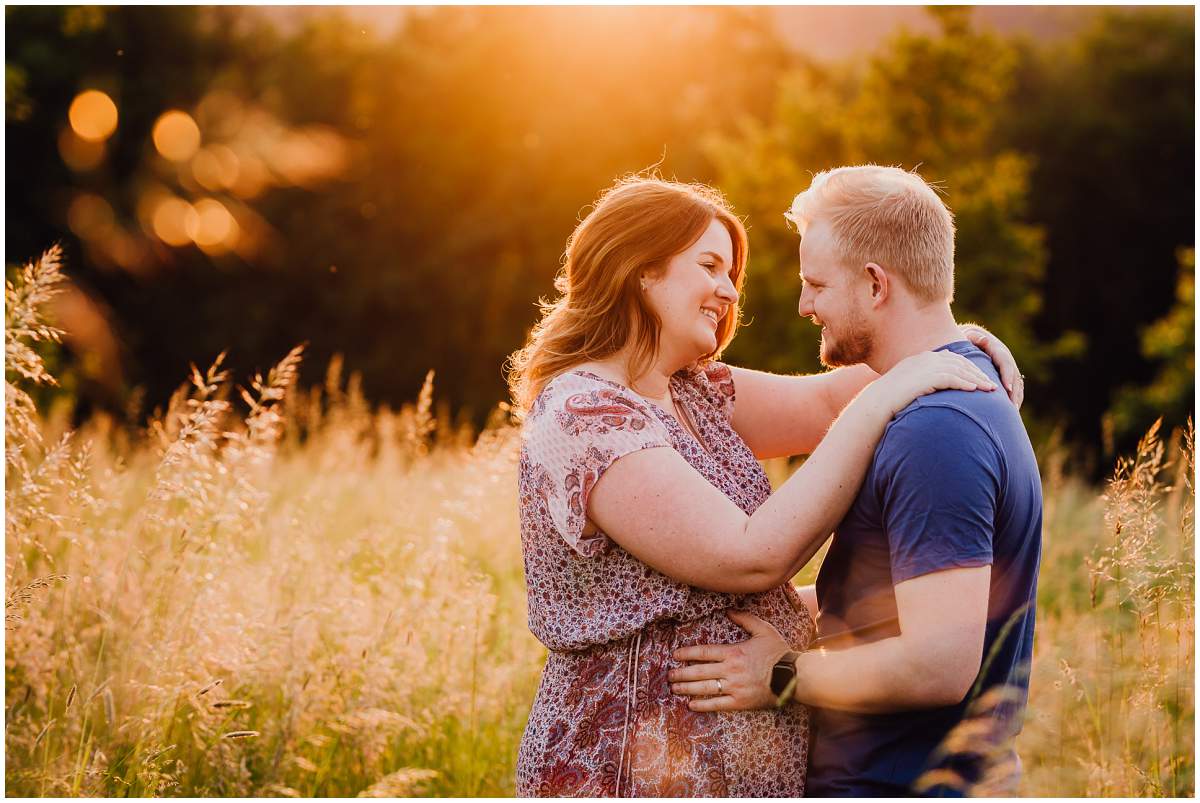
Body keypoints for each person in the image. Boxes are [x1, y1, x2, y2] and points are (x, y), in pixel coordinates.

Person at [508, 176, 1022, 797]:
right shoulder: (584, 416)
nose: (729, 291)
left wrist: (947, 340)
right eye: (709, 266)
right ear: (641, 270)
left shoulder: (692, 391)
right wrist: (888, 392)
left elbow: (825, 399)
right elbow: (750, 556)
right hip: (632, 766)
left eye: (731, 272)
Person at [668, 166, 1043, 797]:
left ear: (875, 284)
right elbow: (892, 601)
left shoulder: (938, 429)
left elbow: (939, 665)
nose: (804, 305)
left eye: (815, 284)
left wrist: (782, 676)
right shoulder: (937, 390)